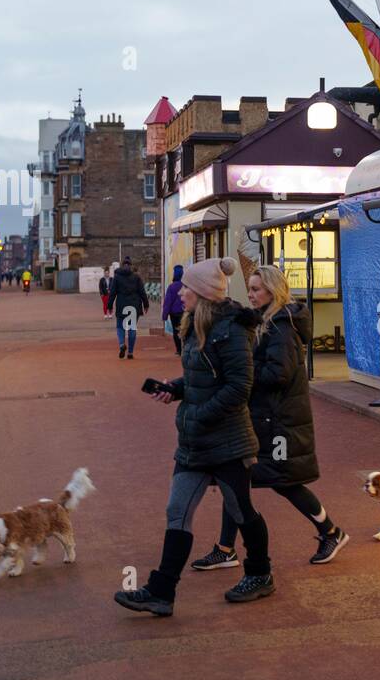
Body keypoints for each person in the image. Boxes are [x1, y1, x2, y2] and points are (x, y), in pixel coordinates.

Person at [114, 256, 274, 616]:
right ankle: (161, 592)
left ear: (203, 294)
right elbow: (202, 379)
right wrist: (175, 389)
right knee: (177, 511)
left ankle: (260, 573)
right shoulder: (195, 326)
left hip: (228, 441)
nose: (180, 292)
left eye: (187, 287)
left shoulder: (232, 330)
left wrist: (199, 414)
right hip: (195, 440)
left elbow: (239, 387)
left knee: (241, 510)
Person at [192, 265, 347, 569]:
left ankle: (331, 532)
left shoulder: (281, 327)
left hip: (279, 422)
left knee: (283, 480)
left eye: (256, 289)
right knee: (237, 480)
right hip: (264, 418)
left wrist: (242, 373)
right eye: (249, 289)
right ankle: (225, 548)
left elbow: (278, 374)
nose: (250, 295)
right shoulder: (266, 321)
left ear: (273, 291)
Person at [107, 257, 149, 359]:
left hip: (121, 305)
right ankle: (130, 352)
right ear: (131, 265)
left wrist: (109, 306)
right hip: (134, 306)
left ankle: (122, 344)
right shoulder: (136, 277)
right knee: (132, 328)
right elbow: (142, 292)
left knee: (120, 327)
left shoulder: (117, 277)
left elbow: (112, 293)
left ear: (122, 265)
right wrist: (146, 304)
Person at [160, 264, 185, 355]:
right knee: (186, 330)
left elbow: (168, 302)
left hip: (174, 313)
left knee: (176, 331)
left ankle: (179, 350)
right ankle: (186, 348)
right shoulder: (186, 286)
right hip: (185, 312)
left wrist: (165, 315)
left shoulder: (171, 287)